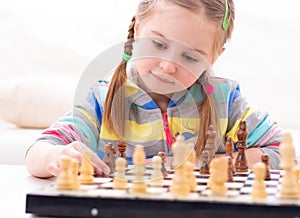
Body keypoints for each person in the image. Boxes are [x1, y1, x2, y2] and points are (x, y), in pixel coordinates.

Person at [25, 0, 282, 178]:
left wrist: (208, 165)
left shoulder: (226, 100)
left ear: (214, 57)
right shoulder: (101, 100)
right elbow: (39, 152)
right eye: (158, 44)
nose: (168, 66)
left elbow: (281, 150)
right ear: (138, 29)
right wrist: (58, 155)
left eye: (191, 57)